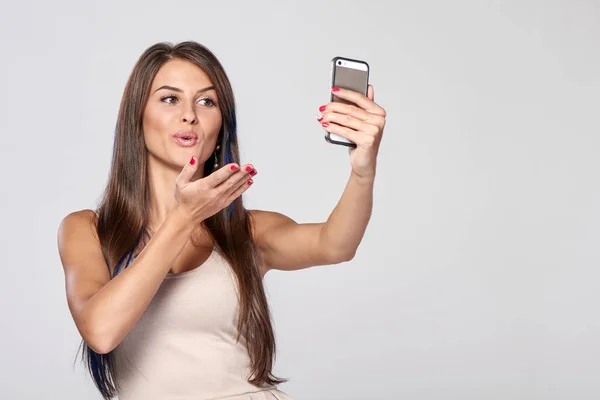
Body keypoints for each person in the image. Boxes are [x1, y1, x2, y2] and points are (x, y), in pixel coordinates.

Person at [57, 41, 386, 400]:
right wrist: (183, 217)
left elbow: (335, 244)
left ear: (221, 126)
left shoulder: (247, 231)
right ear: (137, 114)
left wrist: (363, 173)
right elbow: (101, 331)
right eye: (170, 99)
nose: (189, 116)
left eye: (206, 101)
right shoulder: (87, 229)